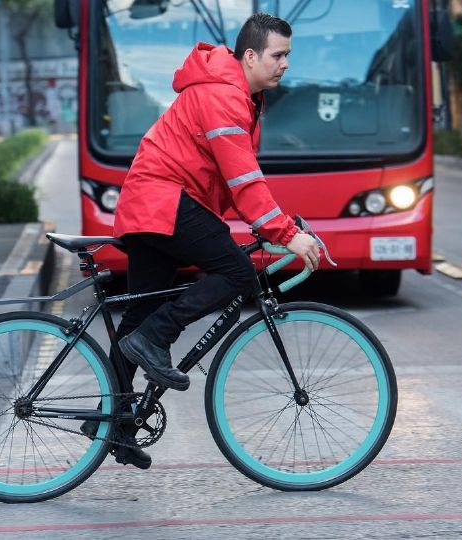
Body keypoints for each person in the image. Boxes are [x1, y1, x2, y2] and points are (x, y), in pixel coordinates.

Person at [105, 12, 321, 469]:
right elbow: (244, 180)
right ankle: (156, 340)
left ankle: (116, 424)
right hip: (164, 200)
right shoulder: (225, 97)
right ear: (249, 55)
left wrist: (275, 223)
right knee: (237, 273)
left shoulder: (237, 94)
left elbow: (232, 182)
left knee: (139, 316)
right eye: (278, 55)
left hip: (154, 203)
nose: (286, 64)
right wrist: (286, 233)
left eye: (288, 55)